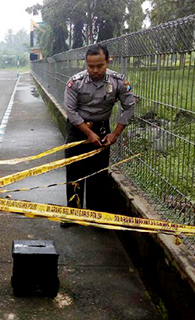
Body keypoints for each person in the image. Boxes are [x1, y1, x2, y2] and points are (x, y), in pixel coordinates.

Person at [62, 44, 135, 227]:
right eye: (90, 66)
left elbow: (129, 107)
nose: (95, 70)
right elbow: (70, 110)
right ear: (86, 64)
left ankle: (96, 216)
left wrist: (115, 134)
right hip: (78, 129)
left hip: (103, 129)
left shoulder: (118, 81)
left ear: (107, 62)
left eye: (99, 66)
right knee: (75, 172)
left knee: (98, 173)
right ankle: (74, 214)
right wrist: (88, 133)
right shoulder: (75, 82)